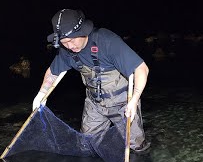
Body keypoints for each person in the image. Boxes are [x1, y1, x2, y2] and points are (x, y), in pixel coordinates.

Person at [32, 8, 150, 153]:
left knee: (137, 146)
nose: (69, 46)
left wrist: (134, 100)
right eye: (64, 42)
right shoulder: (67, 51)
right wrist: (41, 94)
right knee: (86, 144)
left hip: (123, 102)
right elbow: (52, 72)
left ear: (83, 31)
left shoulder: (106, 41)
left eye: (72, 40)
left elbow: (141, 69)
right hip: (95, 103)